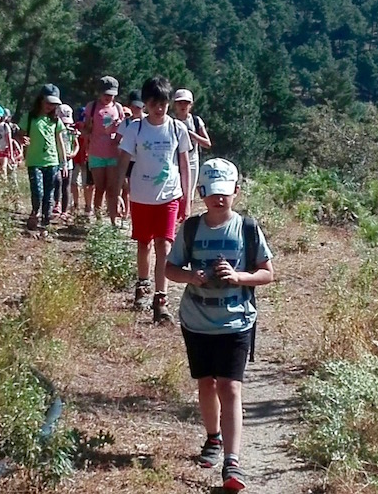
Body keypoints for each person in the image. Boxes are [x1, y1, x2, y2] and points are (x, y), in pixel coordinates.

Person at [165, 159, 274, 491]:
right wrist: (191, 276)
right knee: (206, 385)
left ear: (236, 192)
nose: (219, 199)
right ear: (202, 193)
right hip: (197, 320)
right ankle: (213, 438)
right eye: (212, 193)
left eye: (225, 193)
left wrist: (238, 276)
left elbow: (268, 273)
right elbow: (170, 269)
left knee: (230, 387)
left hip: (236, 320)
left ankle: (232, 461)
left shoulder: (248, 229)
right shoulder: (191, 228)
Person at [117, 76, 191, 324]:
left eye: (163, 103)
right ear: (146, 103)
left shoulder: (177, 129)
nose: (159, 108)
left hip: (169, 195)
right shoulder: (135, 128)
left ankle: (161, 299)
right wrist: (117, 193)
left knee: (165, 246)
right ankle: (142, 285)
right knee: (143, 243)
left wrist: (186, 199)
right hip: (140, 196)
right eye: (154, 103)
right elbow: (124, 161)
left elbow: (184, 165)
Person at [17, 84, 69, 236]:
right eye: (48, 102)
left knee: (49, 193)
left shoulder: (55, 120)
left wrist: (63, 162)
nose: (50, 106)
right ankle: (35, 213)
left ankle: (45, 223)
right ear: (40, 100)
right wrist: (22, 138)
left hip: (52, 161)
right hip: (34, 161)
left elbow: (60, 142)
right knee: (37, 192)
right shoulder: (30, 117)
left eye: (53, 104)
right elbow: (20, 134)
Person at [82, 76, 125, 224]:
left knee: (112, 188)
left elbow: (123, 130)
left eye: (111, 94)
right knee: (99, 187)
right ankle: (99, 220)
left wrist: (118, 125)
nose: (108, 97)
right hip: (96, 153)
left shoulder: (118, 108)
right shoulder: (91, 107)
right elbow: (85, 129)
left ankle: (113, 220)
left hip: (113, 153)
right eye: (105, 94)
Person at [173, 89, 212, 216]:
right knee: (174, 194)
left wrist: (191, 135)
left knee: (189, 195)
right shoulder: (170, 122)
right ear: (175, 104)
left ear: (191, 105)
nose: (183, 106)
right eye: (180, 103)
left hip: (192, 162)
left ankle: (186, 221)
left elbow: (207, 143)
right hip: (174, 163)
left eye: (186, 103)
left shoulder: (196, 121)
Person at [119, 94, 145, 220]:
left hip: (141, 159)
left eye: (138, 107)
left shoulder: (146, 122)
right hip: (128, 159)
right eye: (134, 107)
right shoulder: (126, 122)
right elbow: (117, 139)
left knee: (139, 187)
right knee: (126, 188)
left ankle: (136, 211)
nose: (136, 109)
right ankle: (126, 214)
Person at [53, 104, 78, 220]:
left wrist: (73, 154)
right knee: (57, 181)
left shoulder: (71, 132)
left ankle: (64, 210)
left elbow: (76, 145)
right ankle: (56, 203)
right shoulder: (55, 130)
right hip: (56, 160)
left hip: (69, 163)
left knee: (66, 186)